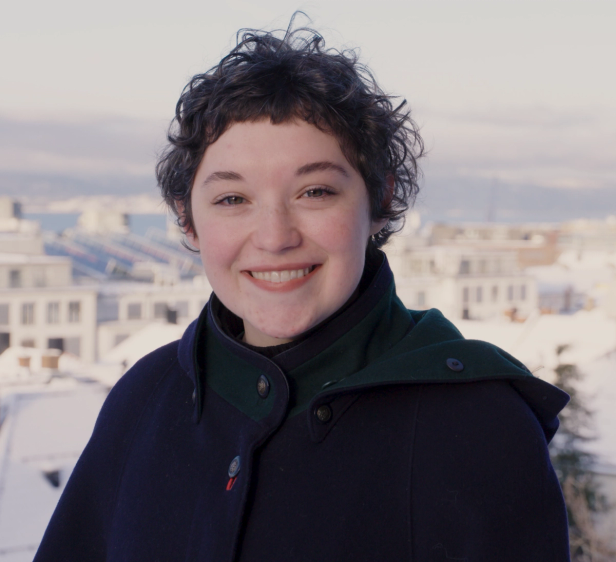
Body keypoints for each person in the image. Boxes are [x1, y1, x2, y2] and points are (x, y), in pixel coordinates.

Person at [34, 20, 570, 562]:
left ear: (379, 201)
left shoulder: (479, 427)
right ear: (187, 220)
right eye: (231, 199)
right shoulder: (145, 400)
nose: (274, 237)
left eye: (315, 191)